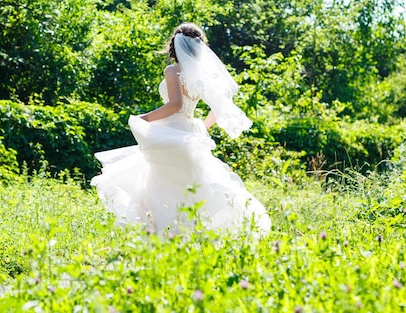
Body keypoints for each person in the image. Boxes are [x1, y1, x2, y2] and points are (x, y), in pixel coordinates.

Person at [91, 23, 271, 235]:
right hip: (190, 133)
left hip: (170, 131)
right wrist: (200, 127)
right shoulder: (202, 75)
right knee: (187, 183)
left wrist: (145, 118)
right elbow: (219, 109)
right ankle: (184, 232)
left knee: (158, 182)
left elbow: (174, 105)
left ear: (174, 46)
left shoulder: (172, 71)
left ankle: (158, 232)